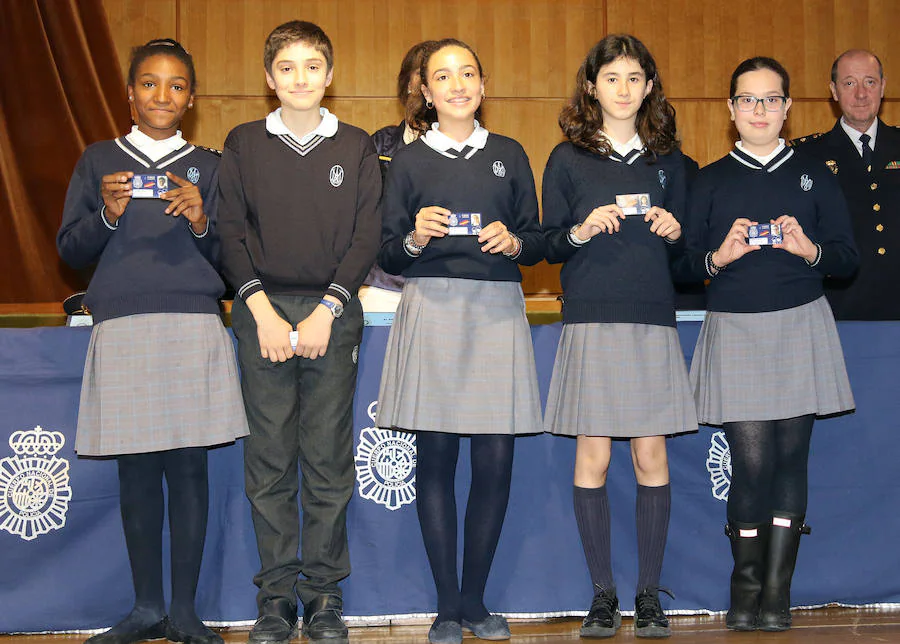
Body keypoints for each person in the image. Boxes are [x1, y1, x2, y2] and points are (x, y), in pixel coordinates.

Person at [57, 38, 248, 644]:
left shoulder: (211, 167)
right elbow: (69, 252)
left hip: (192, 324)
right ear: (130, 92)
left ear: (190, 97)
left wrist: (200, 221)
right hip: (122, 326)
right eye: (149, 83)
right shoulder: (96, 161)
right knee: (136, 472)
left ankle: (186, 612)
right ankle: (145, 608)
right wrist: (108, 215)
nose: (161, 95)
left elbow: (233, 261)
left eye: (175, 85)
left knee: (188, 468)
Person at [677, 57, 858, 632]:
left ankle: (778, 592)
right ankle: (745, 585)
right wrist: (717, 259)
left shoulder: (814, 173)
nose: (760, 110)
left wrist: (810, 251)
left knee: (789, 462)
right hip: (735, 327)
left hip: (801, 323)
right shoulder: (708, 179)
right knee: (751, 467)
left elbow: (847, 257)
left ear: (787, 107)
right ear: (730, 110)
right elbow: (682, 266)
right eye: (748, 100)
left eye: (771, 99)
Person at [216, 20, 381, 644]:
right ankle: (276, 598)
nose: (301, 78)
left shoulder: (358, 145)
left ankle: (324, 595)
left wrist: (326, 310)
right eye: (287, 68)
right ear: (269, 79)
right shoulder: (243, 143)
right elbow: (229, 230)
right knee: (269, 459)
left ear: (330, 75)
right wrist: (260, 310)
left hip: (331, 315)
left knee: (328, 457)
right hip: (261, 313)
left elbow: (366, 234)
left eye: (313, 66)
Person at [376, 38, 544, 644]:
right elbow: (388, 249)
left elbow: (537, 238)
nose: (457, 85)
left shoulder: (509, 153)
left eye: (467, 73)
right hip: (432, 309)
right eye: (442, 76)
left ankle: (476, 599)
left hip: (497, 309)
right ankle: (447, 605)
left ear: (483, 84)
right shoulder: (409, 162)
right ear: (425, 91)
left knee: (495, 463)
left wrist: (515, 242)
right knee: (436, 461)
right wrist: (416, 238)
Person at [541, 33, 697, 640]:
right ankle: (603, 595)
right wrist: (579, 231)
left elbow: (687, 262)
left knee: (650, 455)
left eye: (635, 77)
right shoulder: (567, 158)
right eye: (612, 78)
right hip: (591, 315)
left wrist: (676, 231)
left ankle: (650, 596)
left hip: (652, 316)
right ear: (591, 87)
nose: (624, 89)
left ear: (650, 86)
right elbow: (545, 241)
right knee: (595, 456)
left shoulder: (670, 161)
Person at [792, 49, 900, 320]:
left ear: (883, 87)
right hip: (840, 307)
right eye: (849, 83)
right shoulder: (808, 156)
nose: (861, 94)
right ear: (834, 91)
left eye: (870, 82)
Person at [359, 40, 435, 313]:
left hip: (446, 286)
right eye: (422, 71)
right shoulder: (378, 146)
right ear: (408, 83)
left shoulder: (470, 148)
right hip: (384, 286)